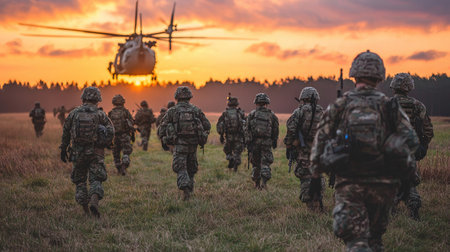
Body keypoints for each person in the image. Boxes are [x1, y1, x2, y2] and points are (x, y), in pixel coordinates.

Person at [310, 50, 419, 252]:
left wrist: (315, 177)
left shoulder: (341, 105)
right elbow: (411, 140)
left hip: (350, 184)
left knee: (356, 241)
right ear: (379, 76)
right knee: (375, 240)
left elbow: (320, 139)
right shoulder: (389, 106)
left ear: (355, 75)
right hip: (383, 186)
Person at [60, 87, 114, 218]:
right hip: (95, 151)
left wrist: (63, 148)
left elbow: (66, 131)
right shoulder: (100, 114)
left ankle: (85, 210)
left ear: (83, 98)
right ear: (97, 99)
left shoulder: (74, 113)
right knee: (96, 179)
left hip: (77, 152)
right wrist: (105, 143)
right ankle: (94, 201)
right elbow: (111, 130)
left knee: (80, 180)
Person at [390, 73, 434, 221]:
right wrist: (423, 147)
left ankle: (391, 209)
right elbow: (428, 130)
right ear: (409, 87)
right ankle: (413, 208)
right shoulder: (418, 105)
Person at [157, 86, 211, 200]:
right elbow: (207, 125)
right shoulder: (195, 110)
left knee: (180, 167)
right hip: (193, 144)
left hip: (179, 144)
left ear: (177, 97)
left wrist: (164, 139)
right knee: (191, 167)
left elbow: (162, 127)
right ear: (189, 97)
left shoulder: (172, 111)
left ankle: (185, 188)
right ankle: (189, 188)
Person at [284, 87, 324, 211]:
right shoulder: (322, 112)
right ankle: (318, 202)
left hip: (304, 150)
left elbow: (291, 128)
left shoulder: (299, 112)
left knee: (306, 176)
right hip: (319, 151)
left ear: (303, 98)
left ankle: (311, 208)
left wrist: (289, 144)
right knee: (318, 176)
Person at [245, 93, 279, 189]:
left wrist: (248, 142)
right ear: (267, 103)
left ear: (256, 103)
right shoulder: (271, 115)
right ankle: (264, 183)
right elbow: (275, 130)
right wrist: (274, 140)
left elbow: (246, 129)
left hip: (254, 143)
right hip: (266, 142)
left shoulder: (252, 114)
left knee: (255, 164)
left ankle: (256, 184)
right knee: (265, 163)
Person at [217, 94, 246, 172]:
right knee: (237, 152)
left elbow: (220, 124)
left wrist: (221, 135)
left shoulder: (225, 113)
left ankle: (230, 159)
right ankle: (235, 166)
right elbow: (246, 125)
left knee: (227, 150)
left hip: (228, 136)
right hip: (238, 136)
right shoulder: (240, 112)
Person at [108, 94, 135, 175]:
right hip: (125, 135)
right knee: (126, 152)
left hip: (114, 136)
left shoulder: (111, 113)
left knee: (116, 154)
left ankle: (119, 169)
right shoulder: (125, 112)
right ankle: (124, 165)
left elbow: (108, 124)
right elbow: (132, 122)